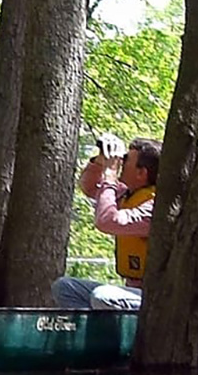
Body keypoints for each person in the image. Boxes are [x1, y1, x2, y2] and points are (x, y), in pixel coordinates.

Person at [51, 133, 163, 310]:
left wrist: (110, 176)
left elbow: (107, 222)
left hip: (156, 299)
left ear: (142, 173)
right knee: (64, 287)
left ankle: (123, 337)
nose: (120, 163)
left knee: (103, 297)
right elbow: (89, 187)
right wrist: (100, 161)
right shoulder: (128, 194)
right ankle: (94, 337)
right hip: (131, 290)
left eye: (126, 160)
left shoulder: (156, 207)